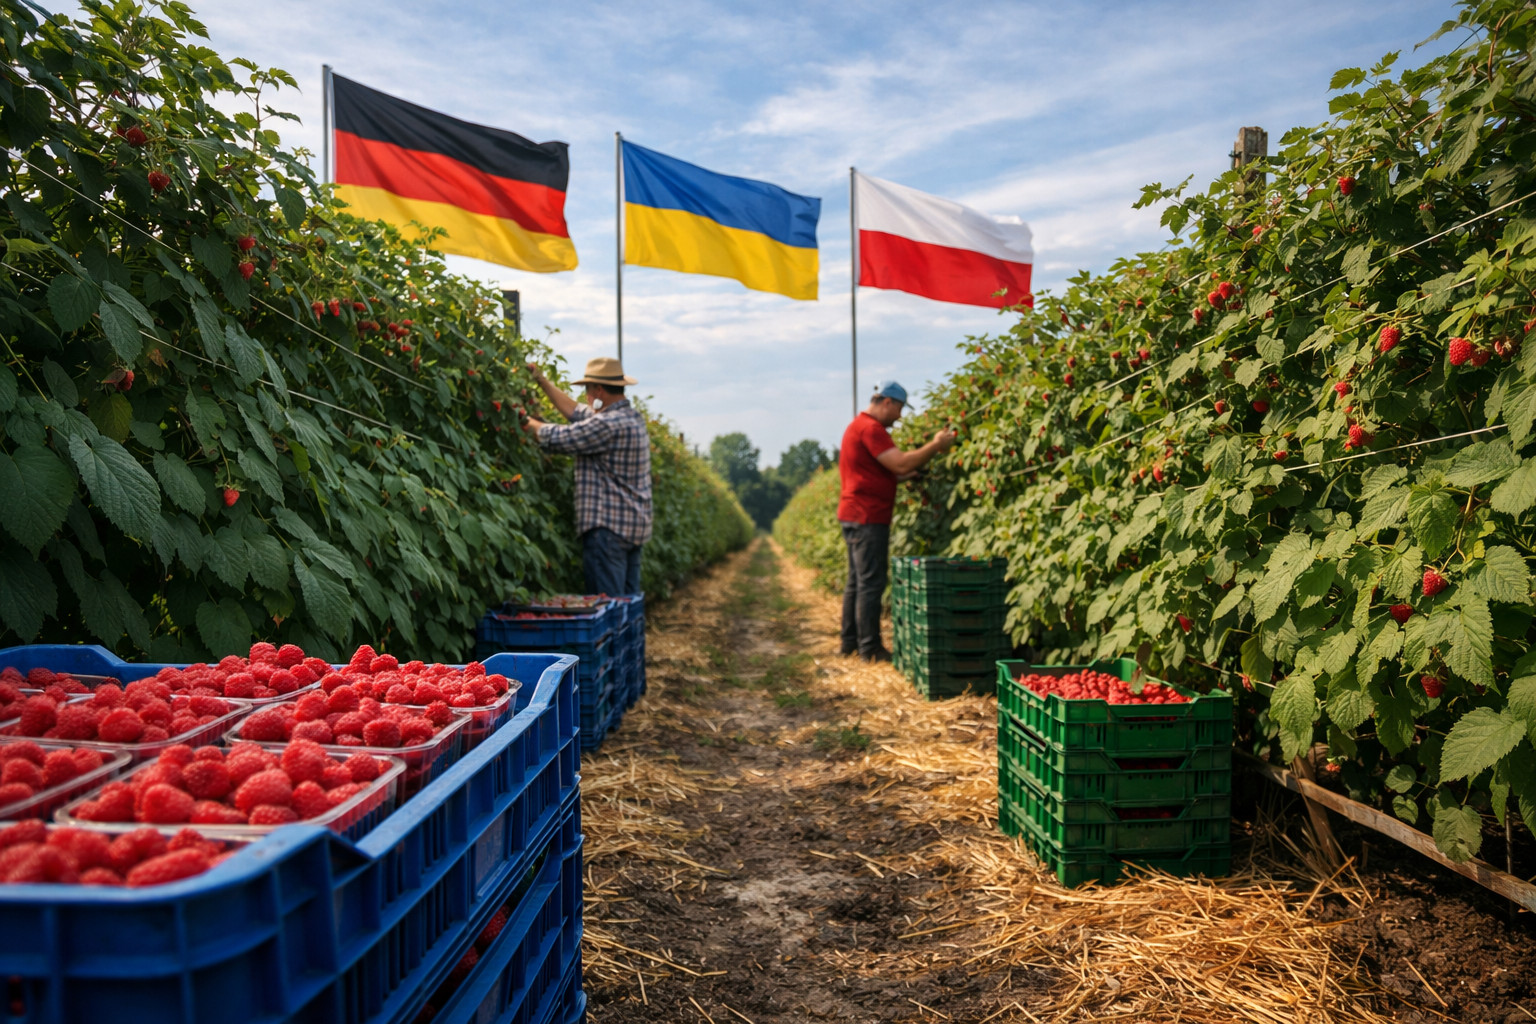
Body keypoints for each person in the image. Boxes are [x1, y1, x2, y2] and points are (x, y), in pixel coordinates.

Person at [838, 381, 956, 661]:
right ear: (887, 402)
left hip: (854, 513)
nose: (900, 417)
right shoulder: (871, 429)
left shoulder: (858, 426)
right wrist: (936, 445)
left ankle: (849, 643)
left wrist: (910, 476)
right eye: (900, 409)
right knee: (871, 583)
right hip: (867, 516)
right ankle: (870, 649)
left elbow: (887, 472)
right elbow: (900, 463)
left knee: (857, 581)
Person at [523, 357, 652, 595]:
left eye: (587, 389)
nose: (586, 396)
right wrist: (542, 381)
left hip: (608, 531)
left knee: (608, 609)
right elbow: (577, 412)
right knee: (627, 607)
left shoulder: (609, 424)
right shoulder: (631, 418)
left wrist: (520, 417)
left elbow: (561, 437)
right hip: (632, 528)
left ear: (598, 390)